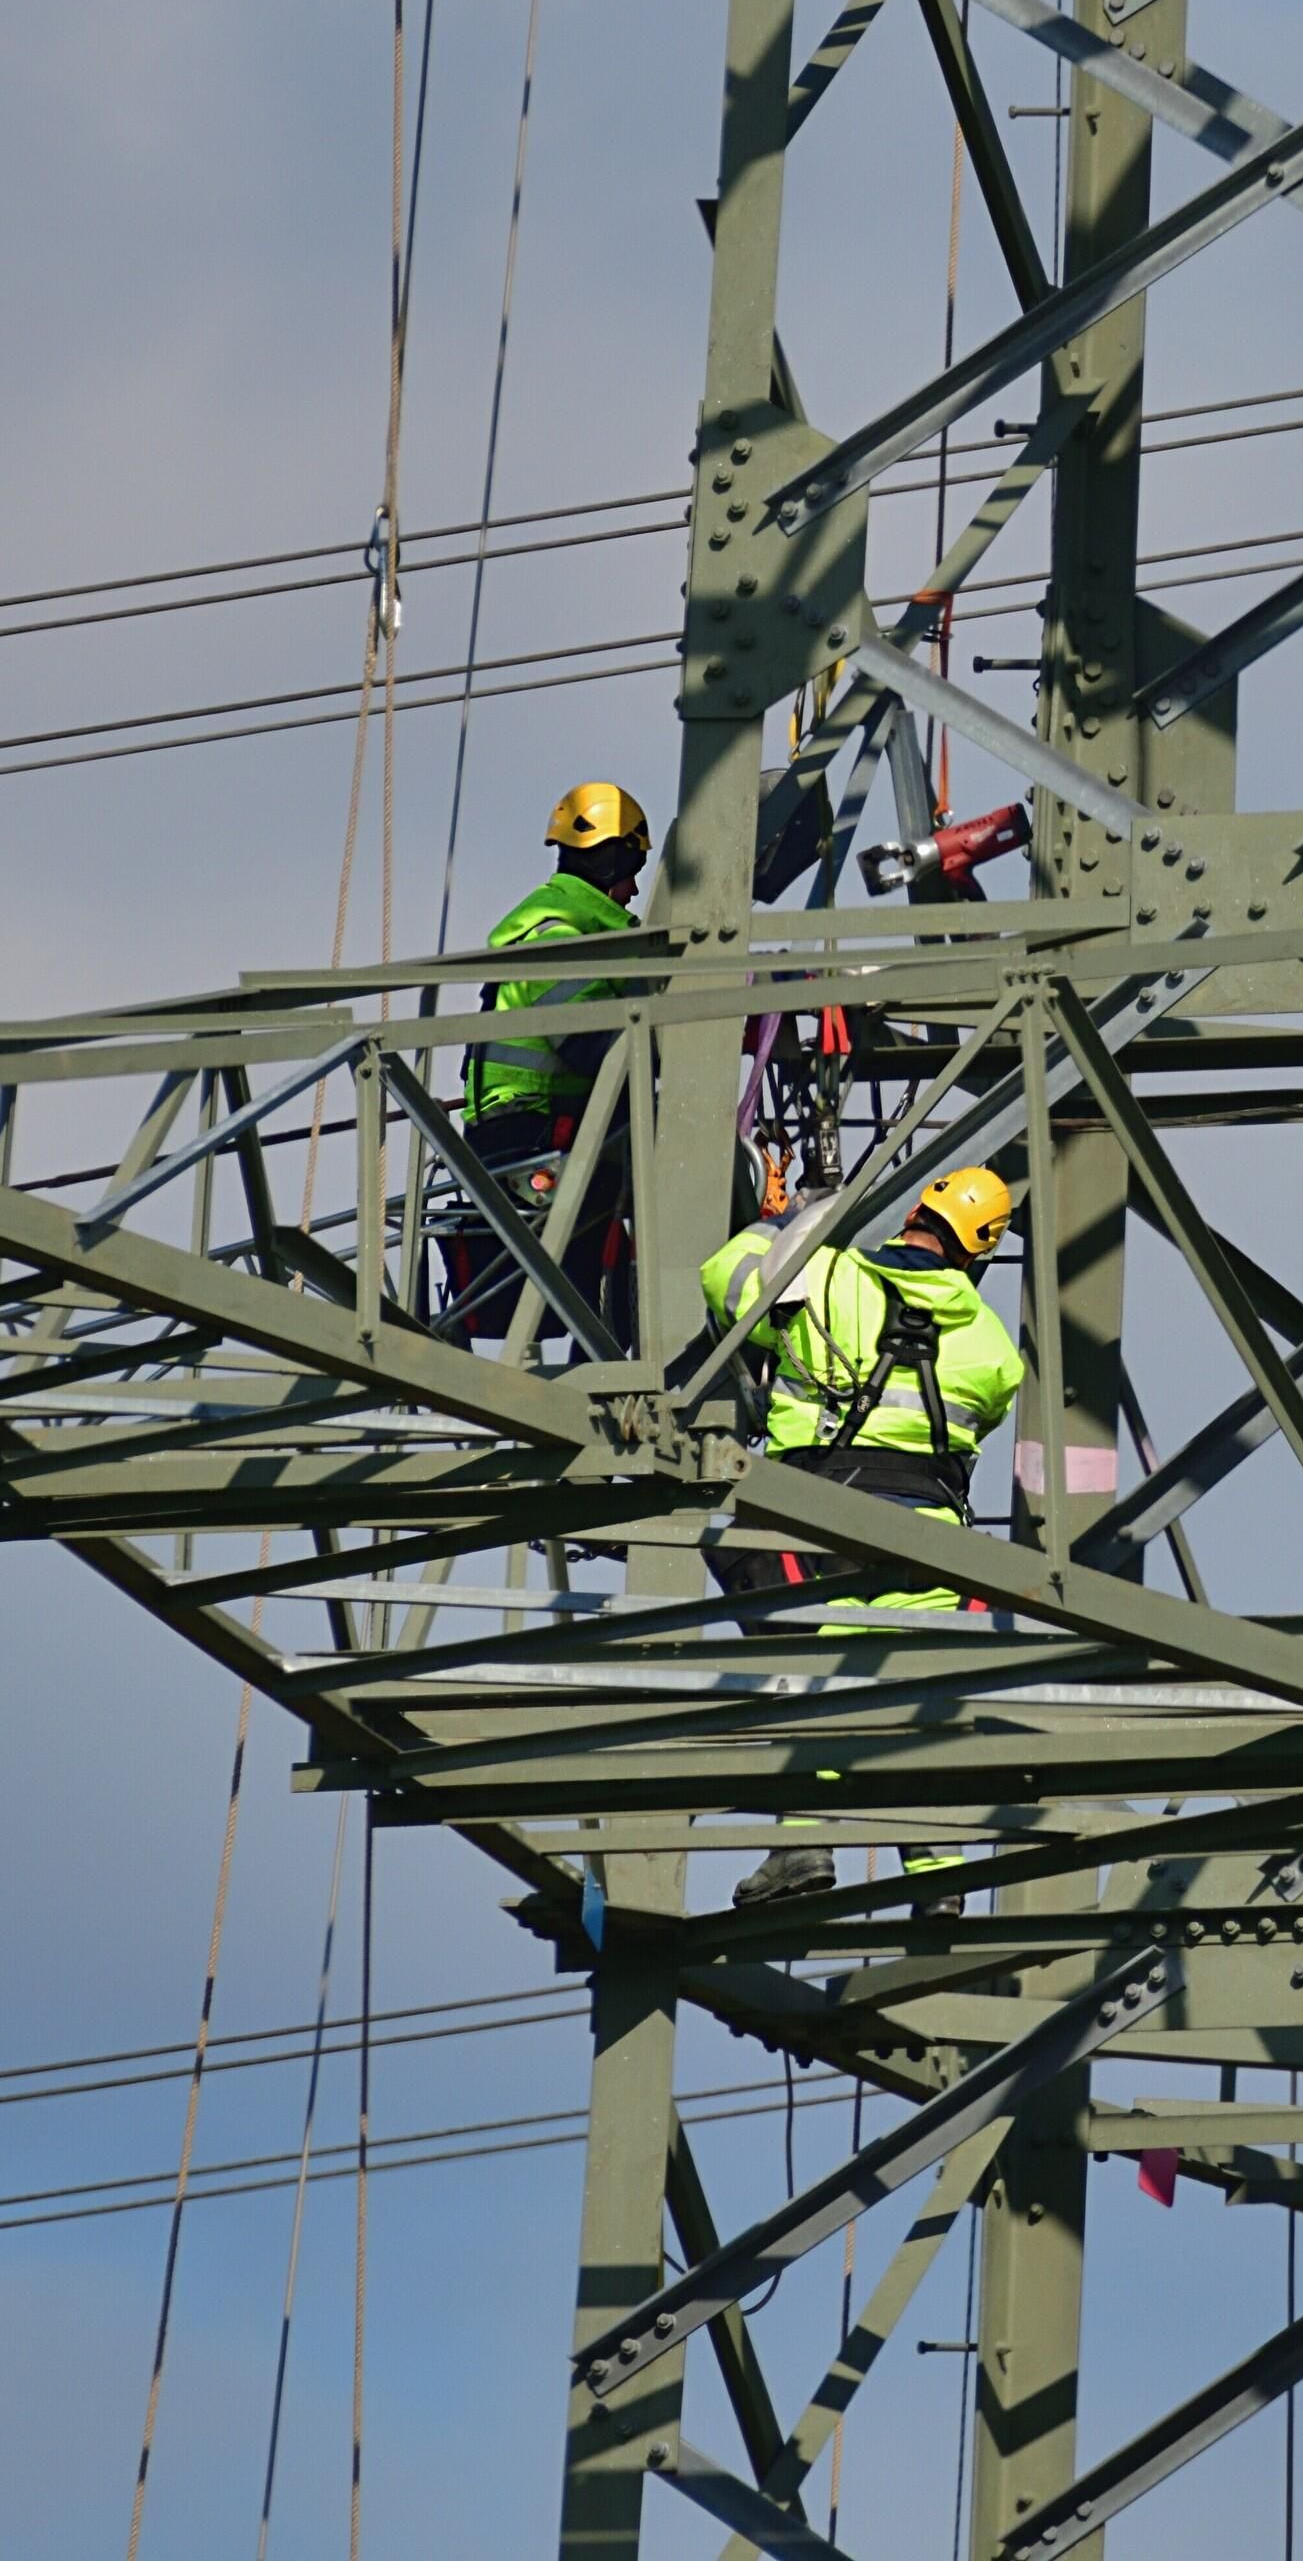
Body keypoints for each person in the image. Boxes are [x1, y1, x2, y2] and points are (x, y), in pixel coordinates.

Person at [697, 1166, 1026, 1908]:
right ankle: (938, 1872)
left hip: (815, 1519)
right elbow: (982, 1411)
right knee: (921, 1692)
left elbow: (725, 1279)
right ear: (980, 1251)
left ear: (912, 1210)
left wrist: (792, 1223)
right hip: (935, 1544)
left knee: (814, 1672)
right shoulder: (992, 1346)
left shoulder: (823, 1279)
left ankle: (803, 1845)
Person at [447, 782, 652, 1335]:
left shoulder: (561, 929)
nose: (634, 890)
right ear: (612, 861)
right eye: (633, 869)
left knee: (598, 1293)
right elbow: (595, 1047)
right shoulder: (558, 937)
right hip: (534, 1135)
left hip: (530, 1134)